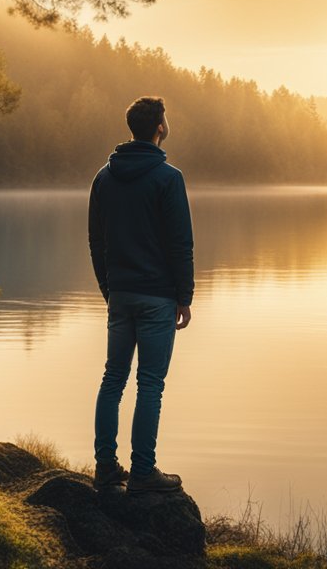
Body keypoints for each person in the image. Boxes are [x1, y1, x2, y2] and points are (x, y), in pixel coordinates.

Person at [88, 95, 194, 493]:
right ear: (160, 128)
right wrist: (184, 296)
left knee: (112, 378)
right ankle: (144, 472)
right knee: (150, 383)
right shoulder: (169, 178)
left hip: (121, 295)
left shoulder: (104, 176)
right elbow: (180, 243)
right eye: (165, 119)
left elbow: (95, 241)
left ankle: (104, 467)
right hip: (157, 298)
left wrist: (108, 289)